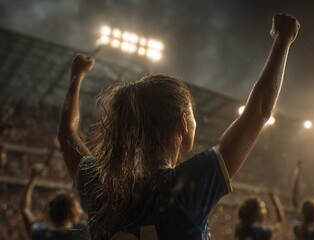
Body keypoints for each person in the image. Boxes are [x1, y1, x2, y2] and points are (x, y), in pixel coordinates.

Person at [58, 12, 300, 240]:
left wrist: (76, 77)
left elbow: (67, 134)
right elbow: (259, 111)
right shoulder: (186, 188)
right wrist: (283, 41)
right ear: (183, 123)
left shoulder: (98, 184)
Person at [21, 162, 85, 240]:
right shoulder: (81, 235)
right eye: (77, 206)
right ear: (72, 211)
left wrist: (32, 178)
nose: (80, 211)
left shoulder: (40, 234)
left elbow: (25, 208)